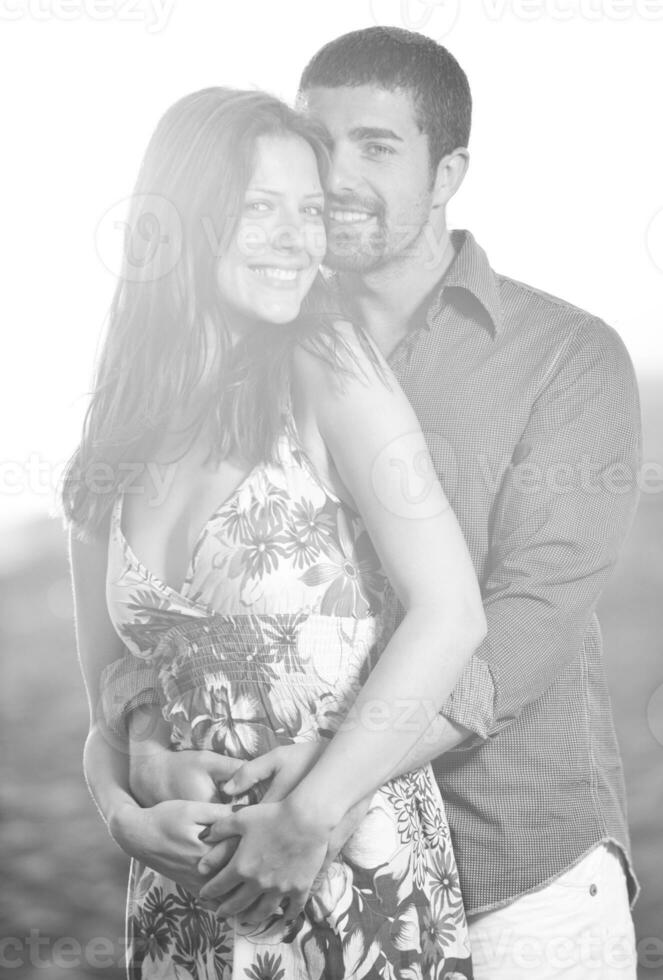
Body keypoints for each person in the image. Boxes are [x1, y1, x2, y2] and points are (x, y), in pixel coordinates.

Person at [137, 28, 642, 979]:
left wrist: (325, 787)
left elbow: (521, 628)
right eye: (318, 142)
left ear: (448, 170)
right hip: (293, 887)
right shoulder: (255, 344)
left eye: (376, 146)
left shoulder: (566, 358)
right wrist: (144, 749)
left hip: (512, 878)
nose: (334, 176)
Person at [63, 86, 487, 979]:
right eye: (260, 209)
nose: (298, 240)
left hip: (339, 862)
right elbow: (114, 687)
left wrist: (313, 813)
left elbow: (450, 611)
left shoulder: (327, 367)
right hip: (188, 895)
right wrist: (128, 808)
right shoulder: (114, 440)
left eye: (309, 211)